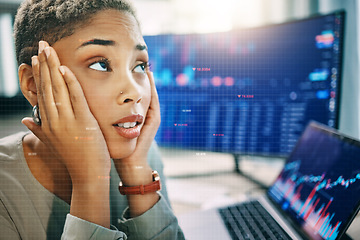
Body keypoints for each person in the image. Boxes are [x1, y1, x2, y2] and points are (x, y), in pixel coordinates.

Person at [0, 0, 185, 239]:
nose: (135, 92)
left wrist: (135, 171)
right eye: (101, 64)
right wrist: (90, 181)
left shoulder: (142, 153)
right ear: (34, 85)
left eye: (139, 66)